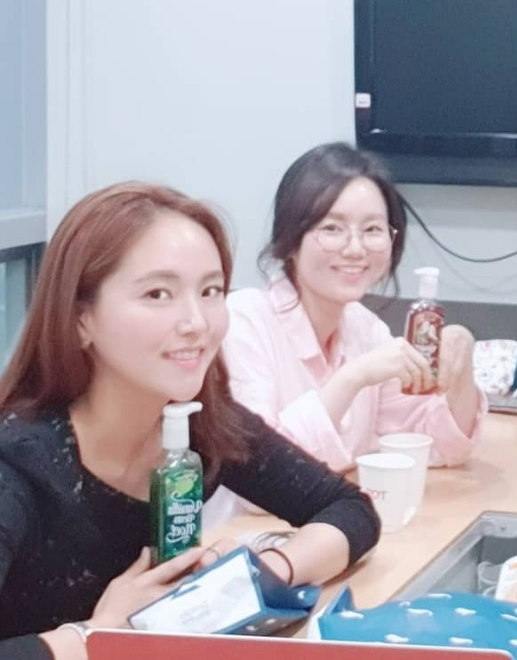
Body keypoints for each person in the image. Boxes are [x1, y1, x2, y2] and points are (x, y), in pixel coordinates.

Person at [0, 183, 380, 660]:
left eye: (211, 290)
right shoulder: (18, 465)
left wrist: (258, 574)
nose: (197, 322)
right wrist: (96, 634)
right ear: (81, 319)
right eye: (158, 293)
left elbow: (350, 510)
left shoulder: (201, 425)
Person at [221, 143, 485, 474]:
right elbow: (259, 473)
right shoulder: (242, 322)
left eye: (372, 229)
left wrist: (462, 363)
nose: (356, 249)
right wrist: (353, 378)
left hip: (340, 506)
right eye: (332, 229)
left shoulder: (366, 329)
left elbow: (436, 445)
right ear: (290, 239)